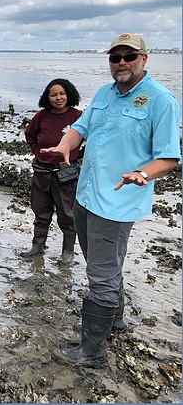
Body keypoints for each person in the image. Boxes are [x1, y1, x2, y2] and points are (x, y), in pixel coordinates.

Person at [41, 33, 181, 368]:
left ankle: (92, 353)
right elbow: (81, 127)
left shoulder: (161, 101)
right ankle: (113, 322)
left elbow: (169, 157)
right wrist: (65, 144)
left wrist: (143, 174)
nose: (120, 63)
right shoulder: (104, 93)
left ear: (144, 59)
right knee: (101, 266)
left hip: (116, 202)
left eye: (128, 56)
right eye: (115, 57)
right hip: (86, 194)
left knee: (101, 275)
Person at [19, 78, 82, 265]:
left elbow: (88, 137)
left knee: (67, 214)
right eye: (53, 94)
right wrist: (37, 151)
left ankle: (68, 252)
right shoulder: (41, 116)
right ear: (47, 97)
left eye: (62, 93)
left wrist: (77, 155)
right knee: (41, 211)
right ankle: (37, 246)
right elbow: (30, 135)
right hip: (42, 171)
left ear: (69, 94)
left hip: (66, 174)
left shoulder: (78, 116)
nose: (58, 98)